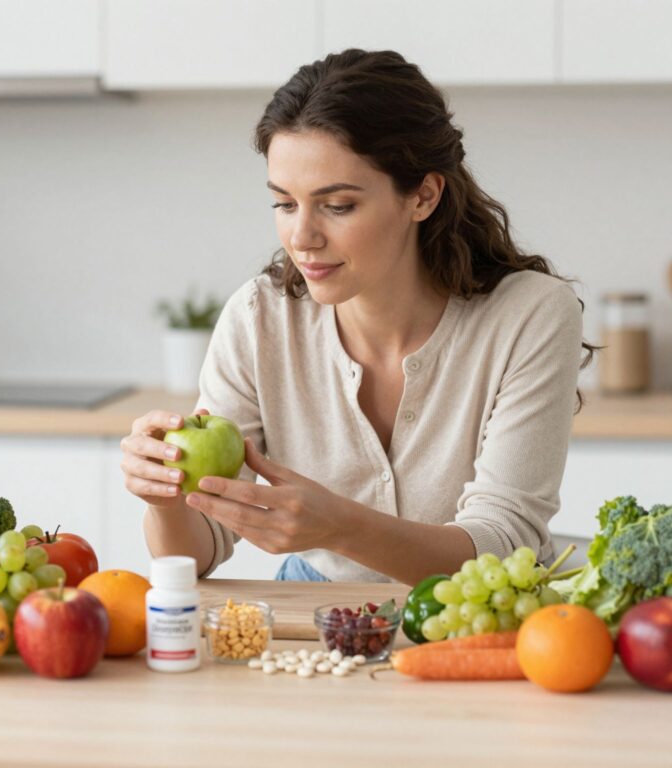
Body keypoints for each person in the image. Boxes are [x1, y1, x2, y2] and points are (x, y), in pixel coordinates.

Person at [121, 49, 593, 585]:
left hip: (475, 620)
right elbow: (195, 554)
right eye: (284, 204)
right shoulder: (258, 321)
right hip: (317, 615)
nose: (302, 238)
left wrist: (340, 528)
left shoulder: (529, 316)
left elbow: (504, 546)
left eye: (337, 205)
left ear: (423, 195)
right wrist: (164, 496)